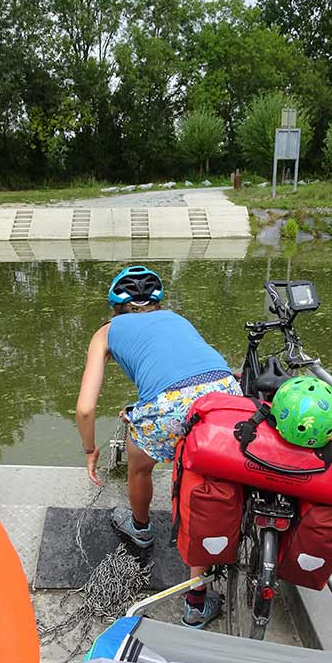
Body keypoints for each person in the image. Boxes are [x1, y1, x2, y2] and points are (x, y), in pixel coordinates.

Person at [75, 265, 242, 628]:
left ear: (115, 306)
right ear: (157, 302)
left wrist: (90, 450)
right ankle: (196, 602)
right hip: (227, 393)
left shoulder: (106, 332)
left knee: (139, 463)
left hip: (169, 405)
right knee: (203, 483)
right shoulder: (177, 319)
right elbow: (184, 368)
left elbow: (86, 408)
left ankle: (140, 526)